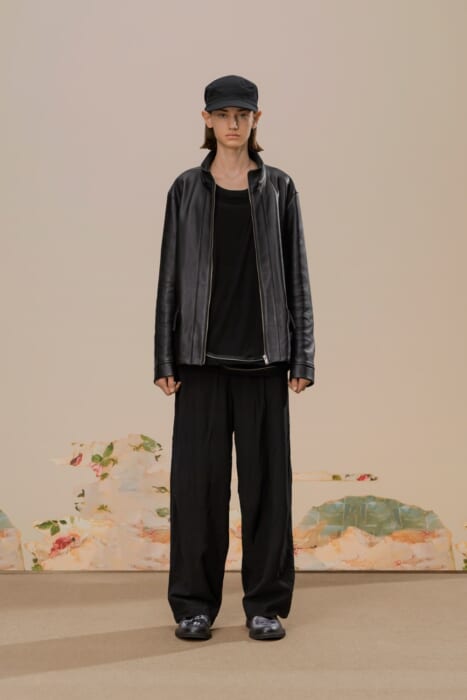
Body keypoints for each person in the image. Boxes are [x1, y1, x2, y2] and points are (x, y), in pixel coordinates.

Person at [153, 74, 315, 641]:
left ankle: (265, 605)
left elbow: (297, 275)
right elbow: (169, 279)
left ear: (255, 120)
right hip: (198, 363)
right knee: (197, 492)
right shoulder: (184, 189)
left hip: (265, 363)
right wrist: (164, 357)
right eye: (222, 114)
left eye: (241, 115)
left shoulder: (279, 188)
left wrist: (303, 357)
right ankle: (194, 606)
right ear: (206, 120)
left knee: (268, 492)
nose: (232, 124)